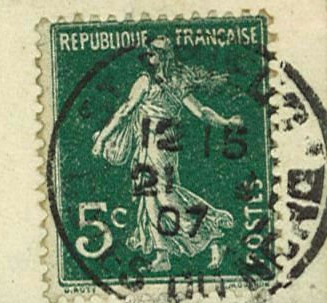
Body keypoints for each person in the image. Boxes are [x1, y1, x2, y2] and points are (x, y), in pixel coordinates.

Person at [91, 34, 241, 273]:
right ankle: (163, 255)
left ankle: (212, 236)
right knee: (149, 197)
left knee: (165, 196)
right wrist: (104, 138)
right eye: (148, 53)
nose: (149, 57)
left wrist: (225, 121)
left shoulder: (172, 83)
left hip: (163, 144)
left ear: (162, 57)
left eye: (154, 53)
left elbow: (201, 111)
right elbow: (124, 112)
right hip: (150, 142)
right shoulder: (146, 81)